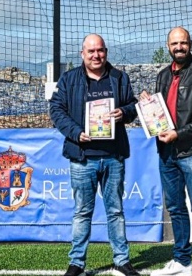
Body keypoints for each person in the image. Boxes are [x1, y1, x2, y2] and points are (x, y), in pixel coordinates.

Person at [49, 34, 140, 276]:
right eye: (91, 51)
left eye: (100, 50)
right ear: (82, 54)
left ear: (106, 52)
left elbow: (133, 106)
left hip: (113, 156)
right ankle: (77, 262)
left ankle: (122, 260)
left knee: (116, 210)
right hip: (82, 157)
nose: (96, 55)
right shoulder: (69, 80)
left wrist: (124, 112)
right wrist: (75, 133)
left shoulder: (120, 78)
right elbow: (56, 110)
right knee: (82, 212)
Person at [144, 27, 192, 276]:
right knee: (175, 208)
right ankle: (183, 262)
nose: (179, 47)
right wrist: (148, 105)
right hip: (167, 152)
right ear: (168, 46)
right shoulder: (163, 76)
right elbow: (160, 114)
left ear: (190, 44)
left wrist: (180, 133)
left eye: (183, 43)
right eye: (175, 43)